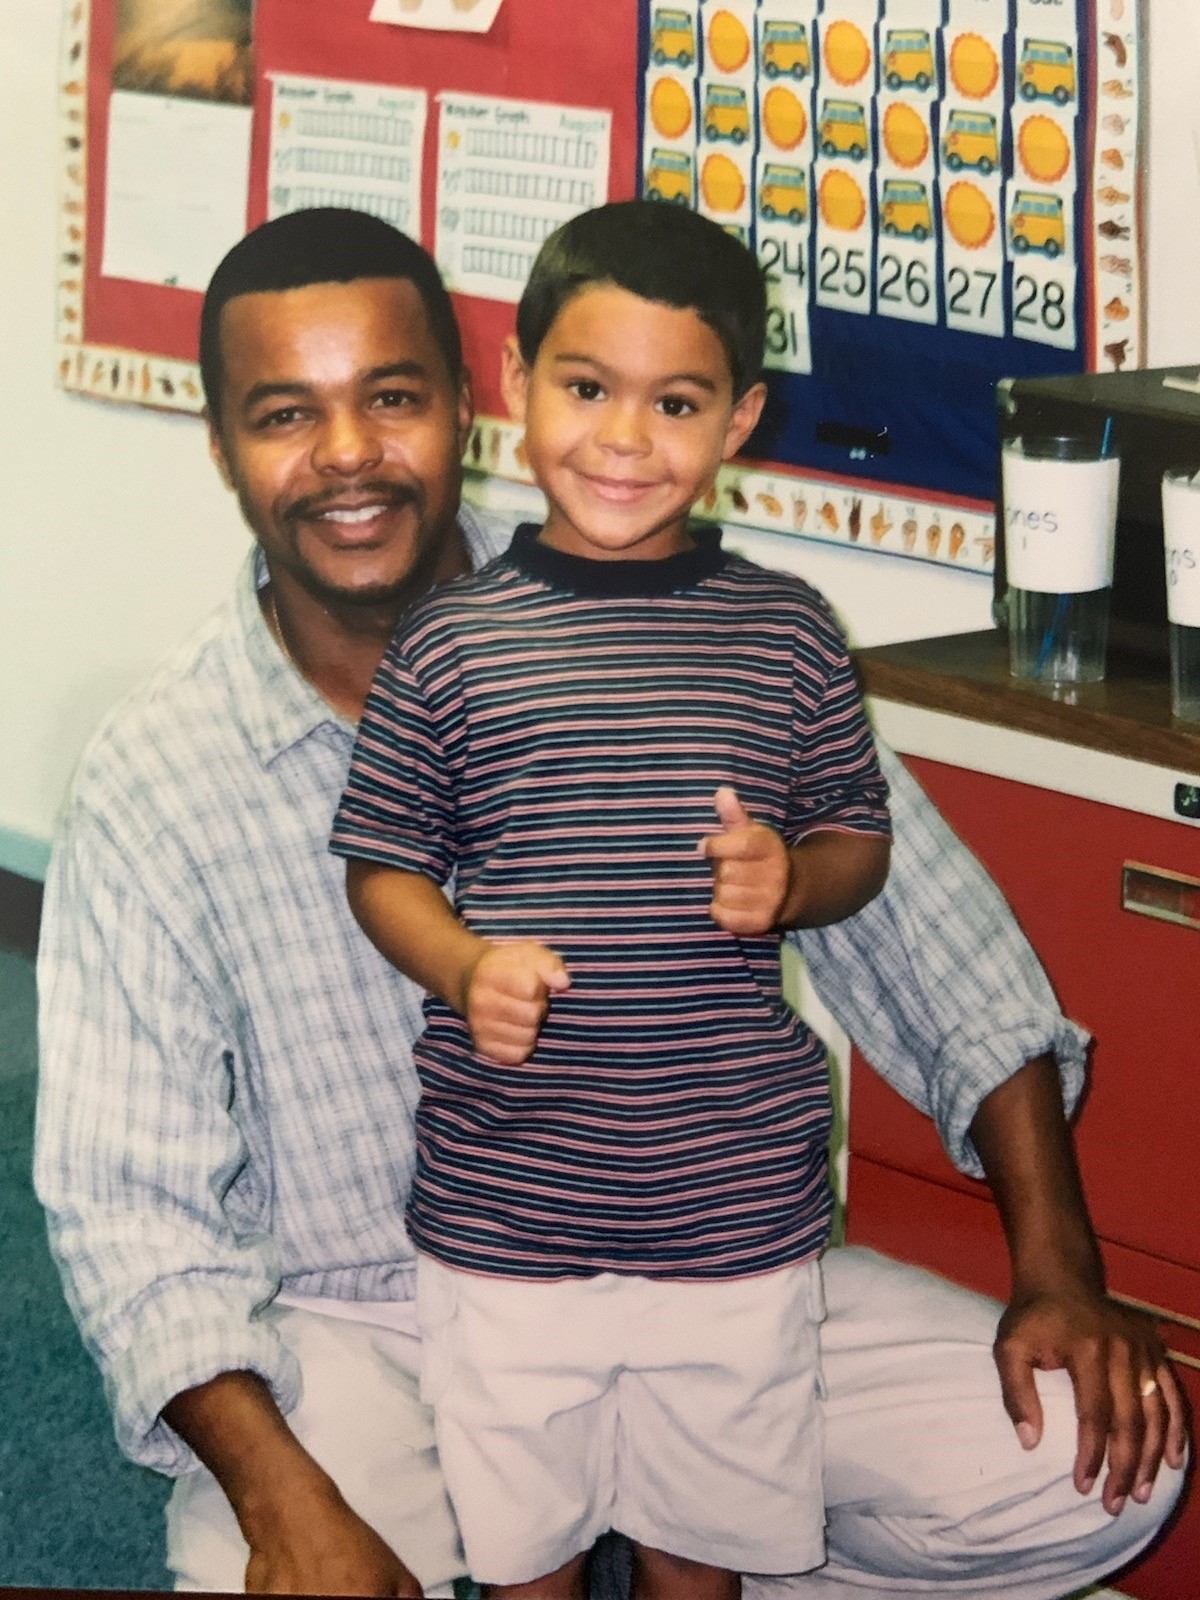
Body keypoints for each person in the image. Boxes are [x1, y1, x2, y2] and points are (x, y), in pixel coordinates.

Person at [34, 207, 1185, 1600]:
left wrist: (1056, 1270)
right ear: (221, 445)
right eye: (286, 413)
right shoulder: (155, 781)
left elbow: (945, 953)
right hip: (362, 1328)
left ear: (470, 402)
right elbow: (128, 1209)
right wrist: (286, 1502)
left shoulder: (708, 619)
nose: (347, 454)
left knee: (1091, 1463)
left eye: (391, 398)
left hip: (700, 1270)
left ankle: (686, 1530)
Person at [329, 200, 893, 1599]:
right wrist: (460, 967)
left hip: (731, 1217)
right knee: (526, 1552)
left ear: (740, 418)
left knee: (704, 1549)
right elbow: (382, 862)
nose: (626, 440)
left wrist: (792, 878)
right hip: (507, 1209)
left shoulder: (790, 633)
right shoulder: (452, 643)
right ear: (513, 386)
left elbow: (859, 842)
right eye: (586, 389)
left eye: (678, 401)